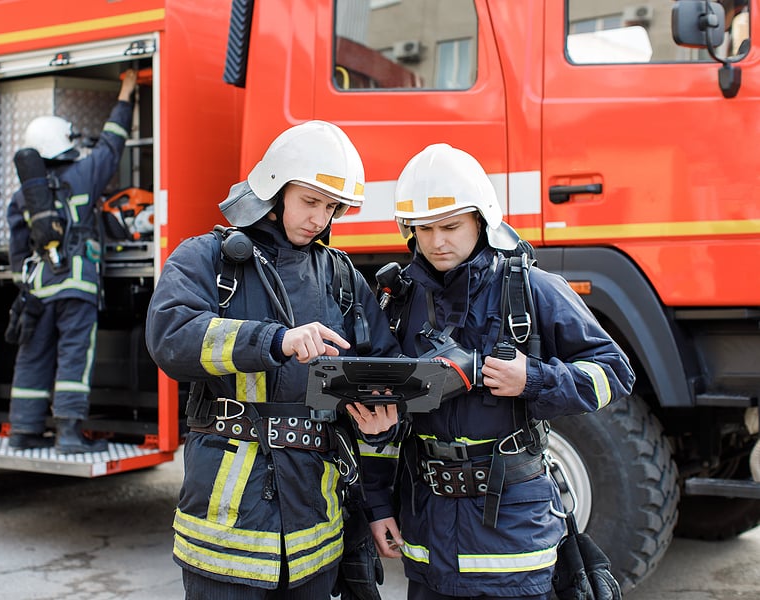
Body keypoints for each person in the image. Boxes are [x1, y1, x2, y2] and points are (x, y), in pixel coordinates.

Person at [363, 144, 636, 600]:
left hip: (513, 543)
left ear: (481, 221)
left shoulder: (534, 289)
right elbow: (380, 415)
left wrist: (532, 379)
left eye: (450, 226)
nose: (436, 241)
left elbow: (615, 373)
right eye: (424, 229)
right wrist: (376, 504)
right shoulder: (398, 302)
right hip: (427, 541)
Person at [144, 120, 401, 598]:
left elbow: (380, 368)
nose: (319, 219)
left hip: (315, 533)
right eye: (309, 201)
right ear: (273, 190)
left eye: (331, 207)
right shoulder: (206, 259)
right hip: (226, 534)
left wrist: (380, 419)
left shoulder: (343, 278)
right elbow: (170, 337)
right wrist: (274, 340)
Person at [6, 69, 138, 453]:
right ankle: (68, 434)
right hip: (77, 286)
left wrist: (22, 281)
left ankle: (23, 431)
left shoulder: (22, 197)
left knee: (33, 355)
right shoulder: (84, 174)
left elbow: (18, 246)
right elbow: (113, 142)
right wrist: (126, 93)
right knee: (74, 356)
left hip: (37, 289)